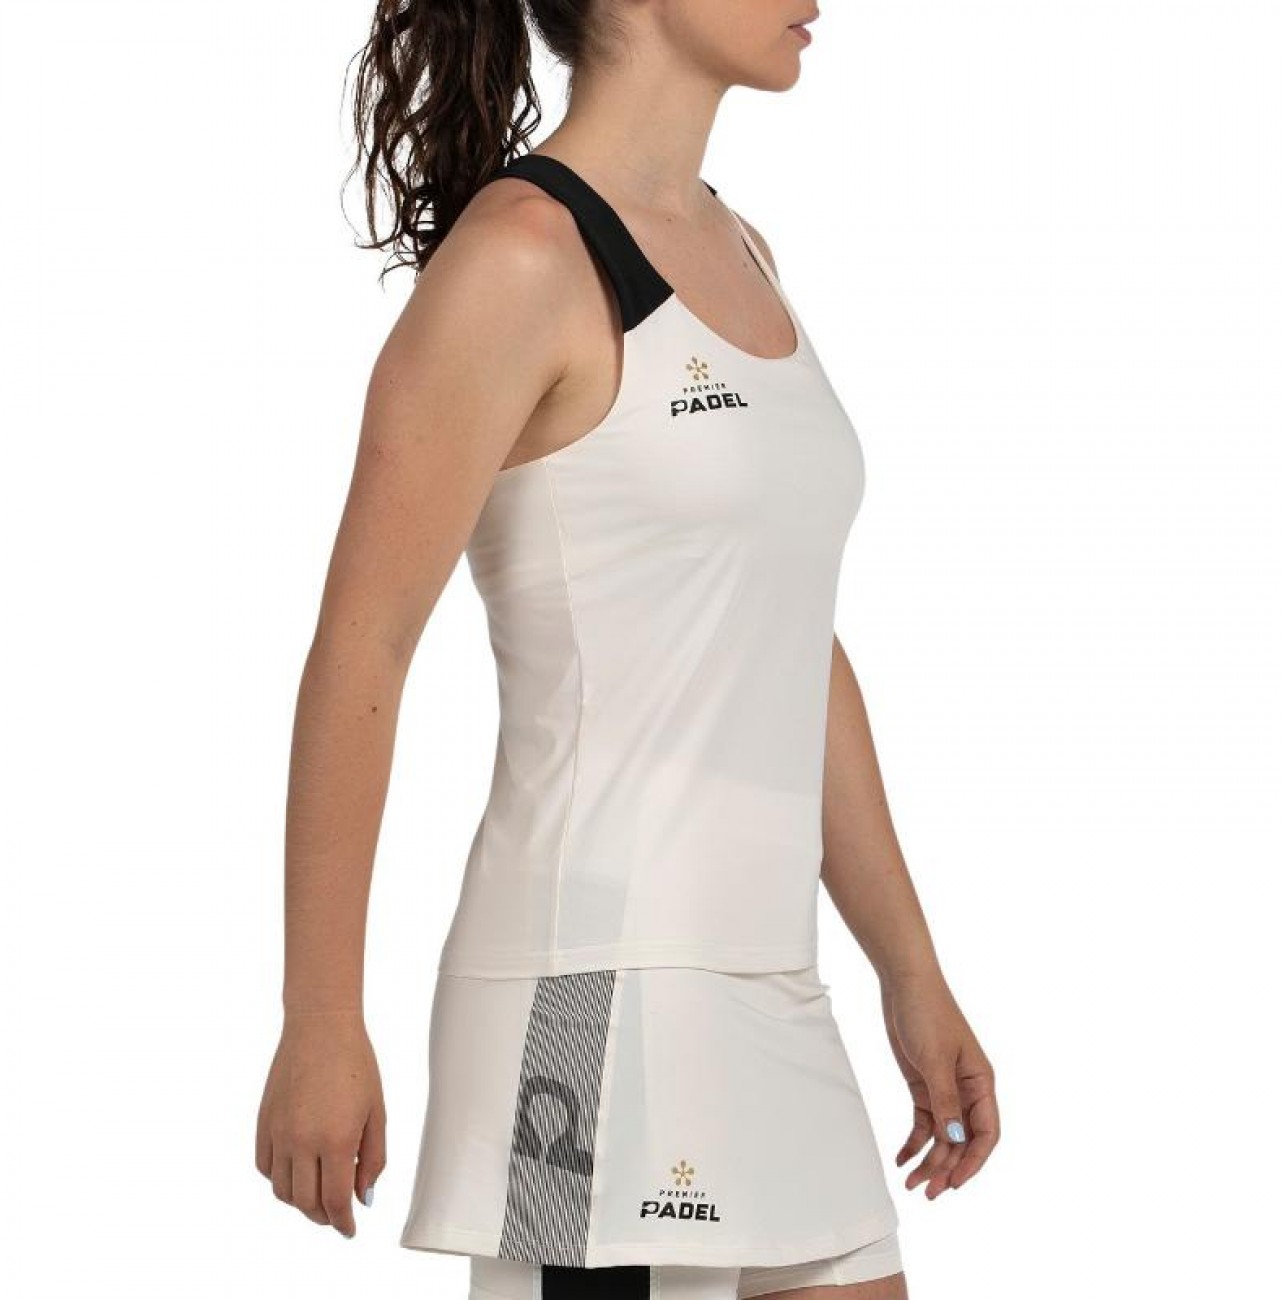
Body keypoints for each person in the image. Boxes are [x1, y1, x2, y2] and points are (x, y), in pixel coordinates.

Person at [254, 2, 1001, 1297]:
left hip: (771, 992)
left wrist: (911, 970)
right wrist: (320, 1017)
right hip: (582, 1001)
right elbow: (361, 649)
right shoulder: (521, 259)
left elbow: (785, 637)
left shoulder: (741, 249)